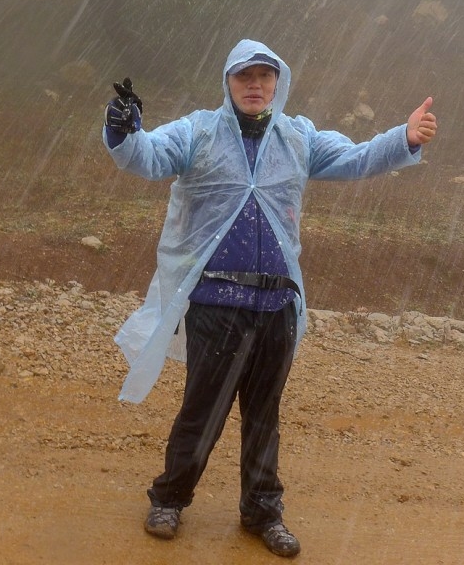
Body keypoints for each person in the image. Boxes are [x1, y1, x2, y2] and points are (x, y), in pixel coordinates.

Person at [102, 38, 437, 558]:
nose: (254, 85)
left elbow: (354, 158)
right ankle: (169, 498)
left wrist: (404, 137)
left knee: (264, 413)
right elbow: (147, 157)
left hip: (276, 305)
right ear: (228, 83)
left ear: (277, 82)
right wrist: (123, 128)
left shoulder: (297, 137)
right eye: (244, 77)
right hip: (216, 301)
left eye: (264, 76)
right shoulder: (199, 132)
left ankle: (263, 512)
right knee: (202, 410)